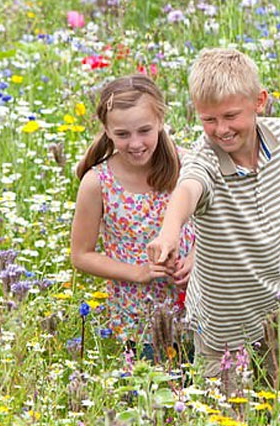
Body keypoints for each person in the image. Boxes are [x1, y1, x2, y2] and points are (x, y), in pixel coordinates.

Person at [147, 48, 280, 393]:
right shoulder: (204, 161)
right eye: (208, 119)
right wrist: (169, 231)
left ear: (259, 101)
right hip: (224, 323)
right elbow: (187, 191)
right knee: (224, 411)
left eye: (230, 116)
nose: (220, 129)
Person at [70, 74, 195, 362]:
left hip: (196, 308)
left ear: (161, 121)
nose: (135, 143)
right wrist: (137, 273)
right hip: (137, 320)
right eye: (123, 134)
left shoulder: (188, 167)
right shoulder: (98, 182)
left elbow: (217, 226)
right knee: (146, 397)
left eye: (144, 130)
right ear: (107, 130)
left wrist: (195, 260)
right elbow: (81, 255)